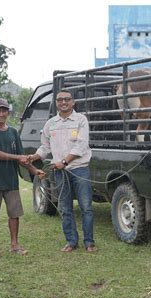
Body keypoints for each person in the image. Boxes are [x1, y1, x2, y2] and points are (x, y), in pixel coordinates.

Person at [28, 89, 97, 253]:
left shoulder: (81, 120)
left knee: (86, 207)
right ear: (56, 103)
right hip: (59, 172)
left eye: (67, 99)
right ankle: (71, 241)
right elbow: (45, 146)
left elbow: (81, 145)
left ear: (73, 102)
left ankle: (89, 243)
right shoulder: (50, 124)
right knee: (65, 208)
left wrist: (65, 161)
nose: (63, 102)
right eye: (60, 100)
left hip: (79, 170)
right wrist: (35, 156)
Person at [0, 98, 45, 261]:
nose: (1, 114)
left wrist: (35, 170)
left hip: (11, 182)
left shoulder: (14, 132)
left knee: (14, 214)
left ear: (8, 112)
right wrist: (18, 156)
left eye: (4, 110)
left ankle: (14, 245)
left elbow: (22, 159)